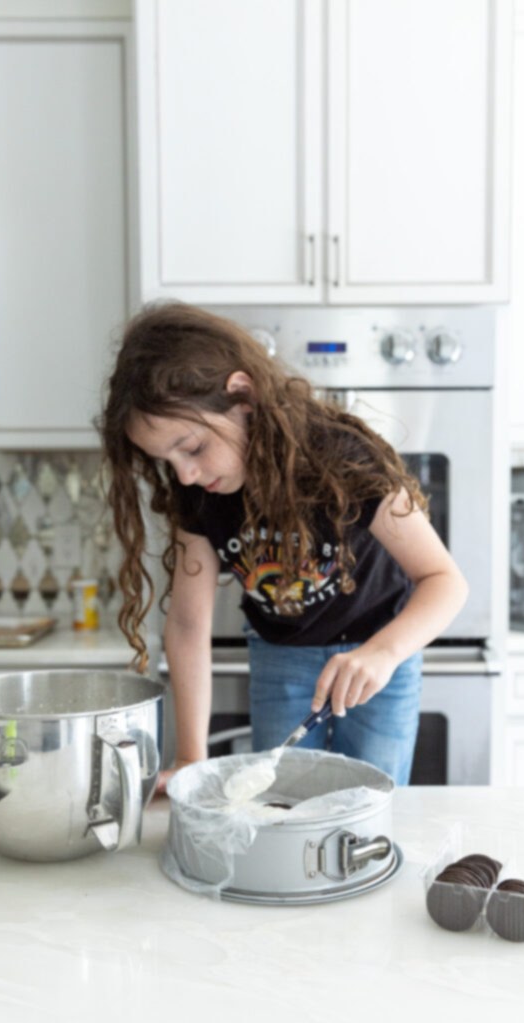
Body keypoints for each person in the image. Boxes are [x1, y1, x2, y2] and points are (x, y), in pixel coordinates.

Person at [100, 302, 468, 790]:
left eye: (191, 448)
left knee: (372, 799)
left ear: (243, 396)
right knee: (280, 799)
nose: (185, 474)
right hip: (281, 655)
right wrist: (191, 755)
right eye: (167, 461)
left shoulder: (342, 458)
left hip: (379, 648)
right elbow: (188, 625)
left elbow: (445, 582)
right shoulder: (196, 491)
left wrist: (381, 653)